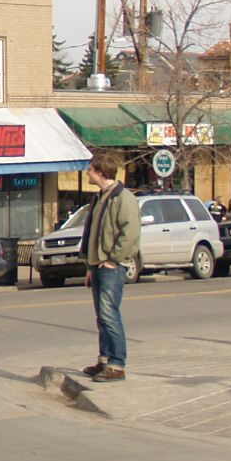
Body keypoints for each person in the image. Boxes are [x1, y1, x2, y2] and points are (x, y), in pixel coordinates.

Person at [82, 154, 141, 382]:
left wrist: (114, 259)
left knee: (110, 314)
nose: (87, 173)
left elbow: (131, 233)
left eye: (90, 169)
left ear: (101, 172)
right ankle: (104, 360)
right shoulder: (99, 198)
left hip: (111, 266)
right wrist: (90, 264)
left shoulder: (122, 198)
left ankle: (117, 365)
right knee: (101, 316)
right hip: (97, 264)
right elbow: (92, 234)